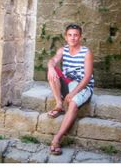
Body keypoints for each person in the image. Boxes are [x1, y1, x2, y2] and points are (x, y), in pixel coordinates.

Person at [47, 23, 94, 155]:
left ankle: (57, 139)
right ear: (66, 37)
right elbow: (53, 60)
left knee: (73, 104)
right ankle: (59, 104)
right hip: (68, 83)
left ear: (80, 37)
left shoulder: (86, 52)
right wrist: (51, 66)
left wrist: (73, 93)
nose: (73, 38)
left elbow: (87, 77)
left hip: (83, 86)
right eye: (70, 35)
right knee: (52, 71)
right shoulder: (63, 50)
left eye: (76, 35)